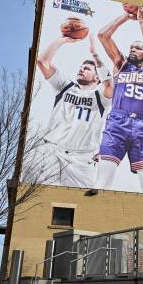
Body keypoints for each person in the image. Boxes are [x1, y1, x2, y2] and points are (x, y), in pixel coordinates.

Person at [95, 6, 143, 192]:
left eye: (138, 48)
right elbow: (102, 35)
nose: (133, 49)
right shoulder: (120, 65)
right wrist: (126, 17)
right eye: (131, 47)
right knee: (102, 183)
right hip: (117, 123)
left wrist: (141, 21)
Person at [36, 33, 113, 187]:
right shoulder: (65, 86)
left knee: (83, 204)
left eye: (86, 69)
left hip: (81, 160)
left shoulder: (101, 98)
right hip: (51, 151)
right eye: (80, 67)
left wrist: (95, 54)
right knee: (38, 198)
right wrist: (64, 39)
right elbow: (42, 61)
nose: (81, 70)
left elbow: (110, 85)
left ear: (97, 78)